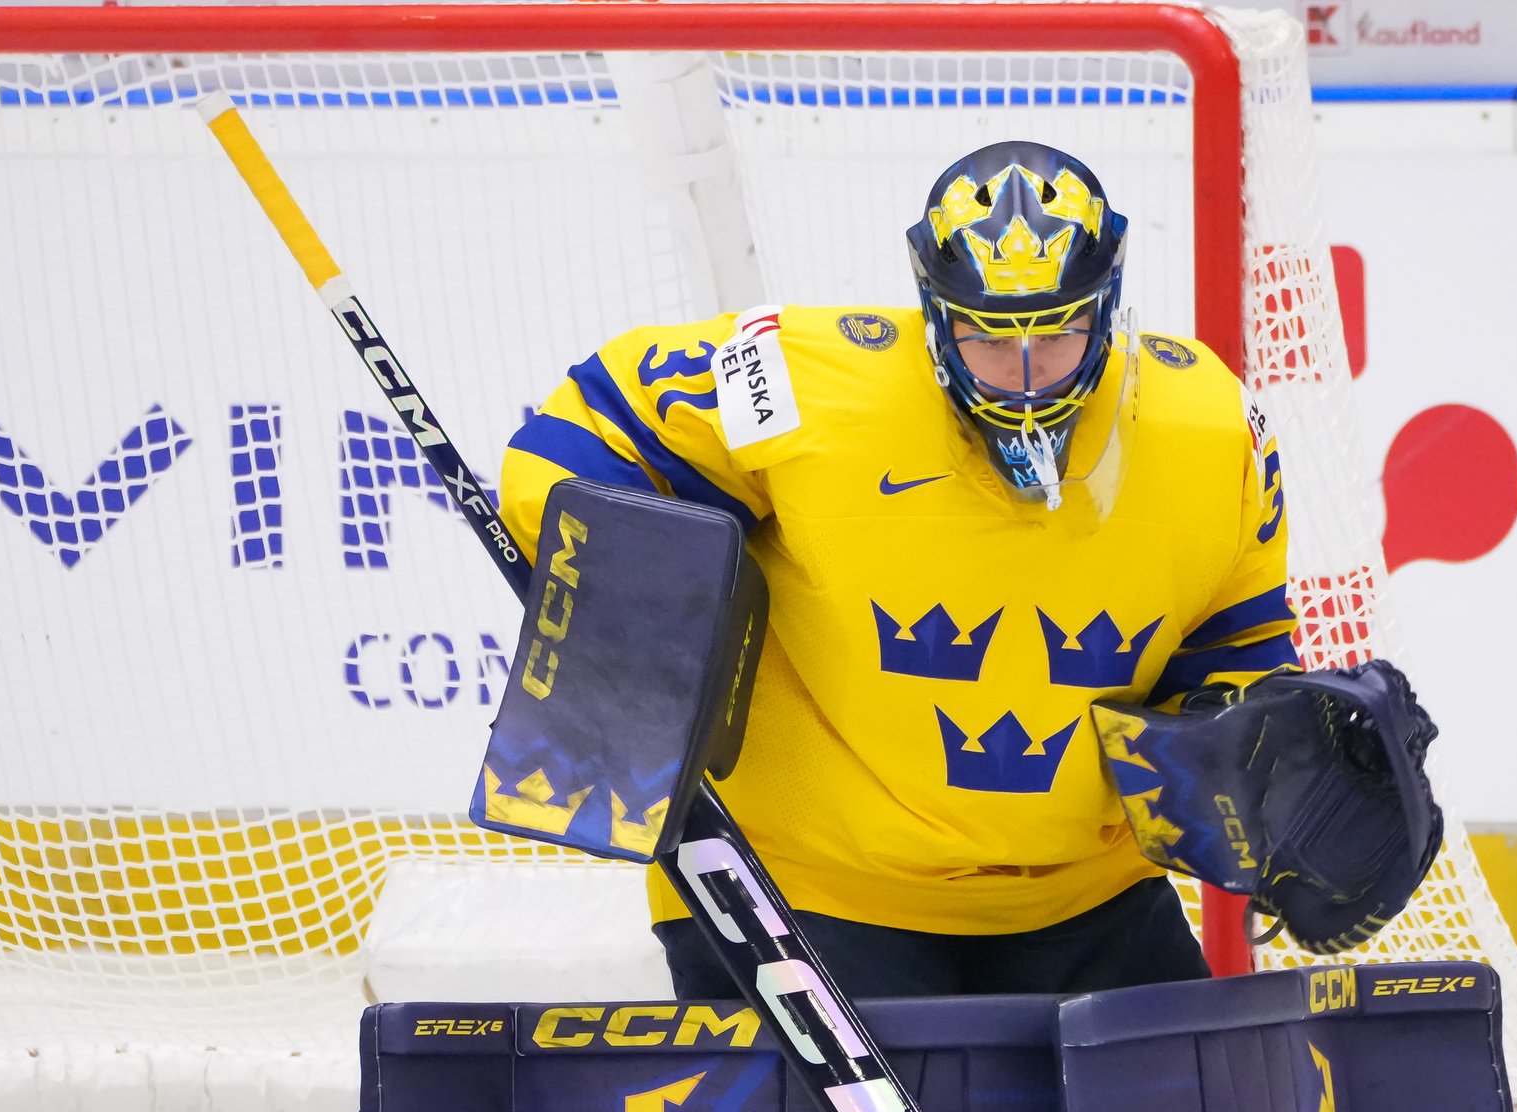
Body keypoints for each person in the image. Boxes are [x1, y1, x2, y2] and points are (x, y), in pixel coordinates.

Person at [497, 140, 1297, 1000]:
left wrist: (1268, 780)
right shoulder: (803, 386)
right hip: (802, 886)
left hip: (1087, 896)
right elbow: (581, 430)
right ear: (934, 311)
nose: (1025, 376)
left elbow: (1235, 647)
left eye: (1059, 332)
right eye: (987, 337)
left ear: (1107, 307)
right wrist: (646, 604)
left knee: (1193, 1094)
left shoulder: (1212, 432)